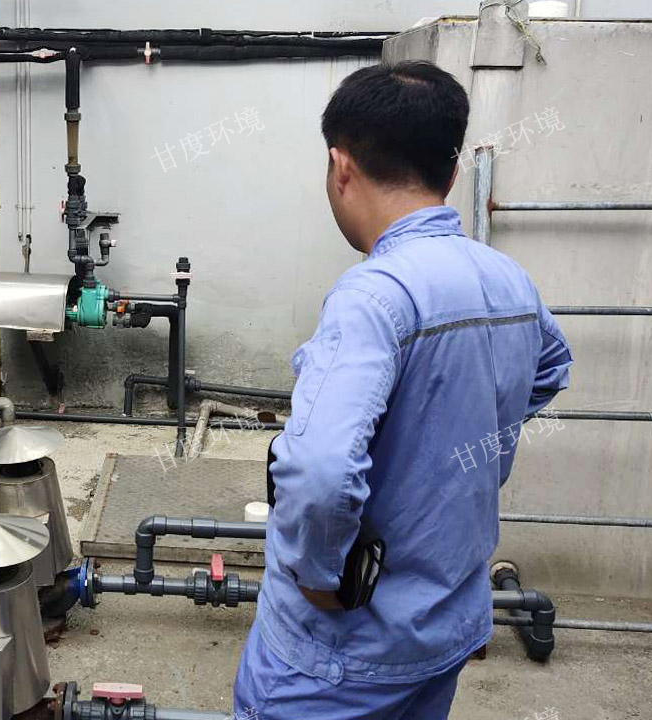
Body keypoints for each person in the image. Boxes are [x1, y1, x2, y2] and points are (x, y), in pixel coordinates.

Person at [233, 61, 573, 720]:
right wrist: (461, 438)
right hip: (444, 626)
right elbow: (552, 369)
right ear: (452, 172)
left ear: (340, 166)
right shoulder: (508, 279)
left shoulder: (373, 297)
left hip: (340, 655)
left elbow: (321, 471)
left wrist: (319, 576)